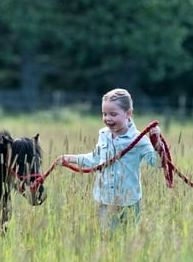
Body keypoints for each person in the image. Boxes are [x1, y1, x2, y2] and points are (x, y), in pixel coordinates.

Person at [60, 88, 161, 234]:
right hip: (105, 201)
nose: (108, 118)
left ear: (128, 113)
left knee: (127, 241)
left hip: (129, 203)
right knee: (106, 240)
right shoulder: (103, 135)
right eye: (104, 114)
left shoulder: (139, 140)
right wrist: (71, 159)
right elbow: (95, 159)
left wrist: (157, 145)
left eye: (113, 114)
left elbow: (157, 163)